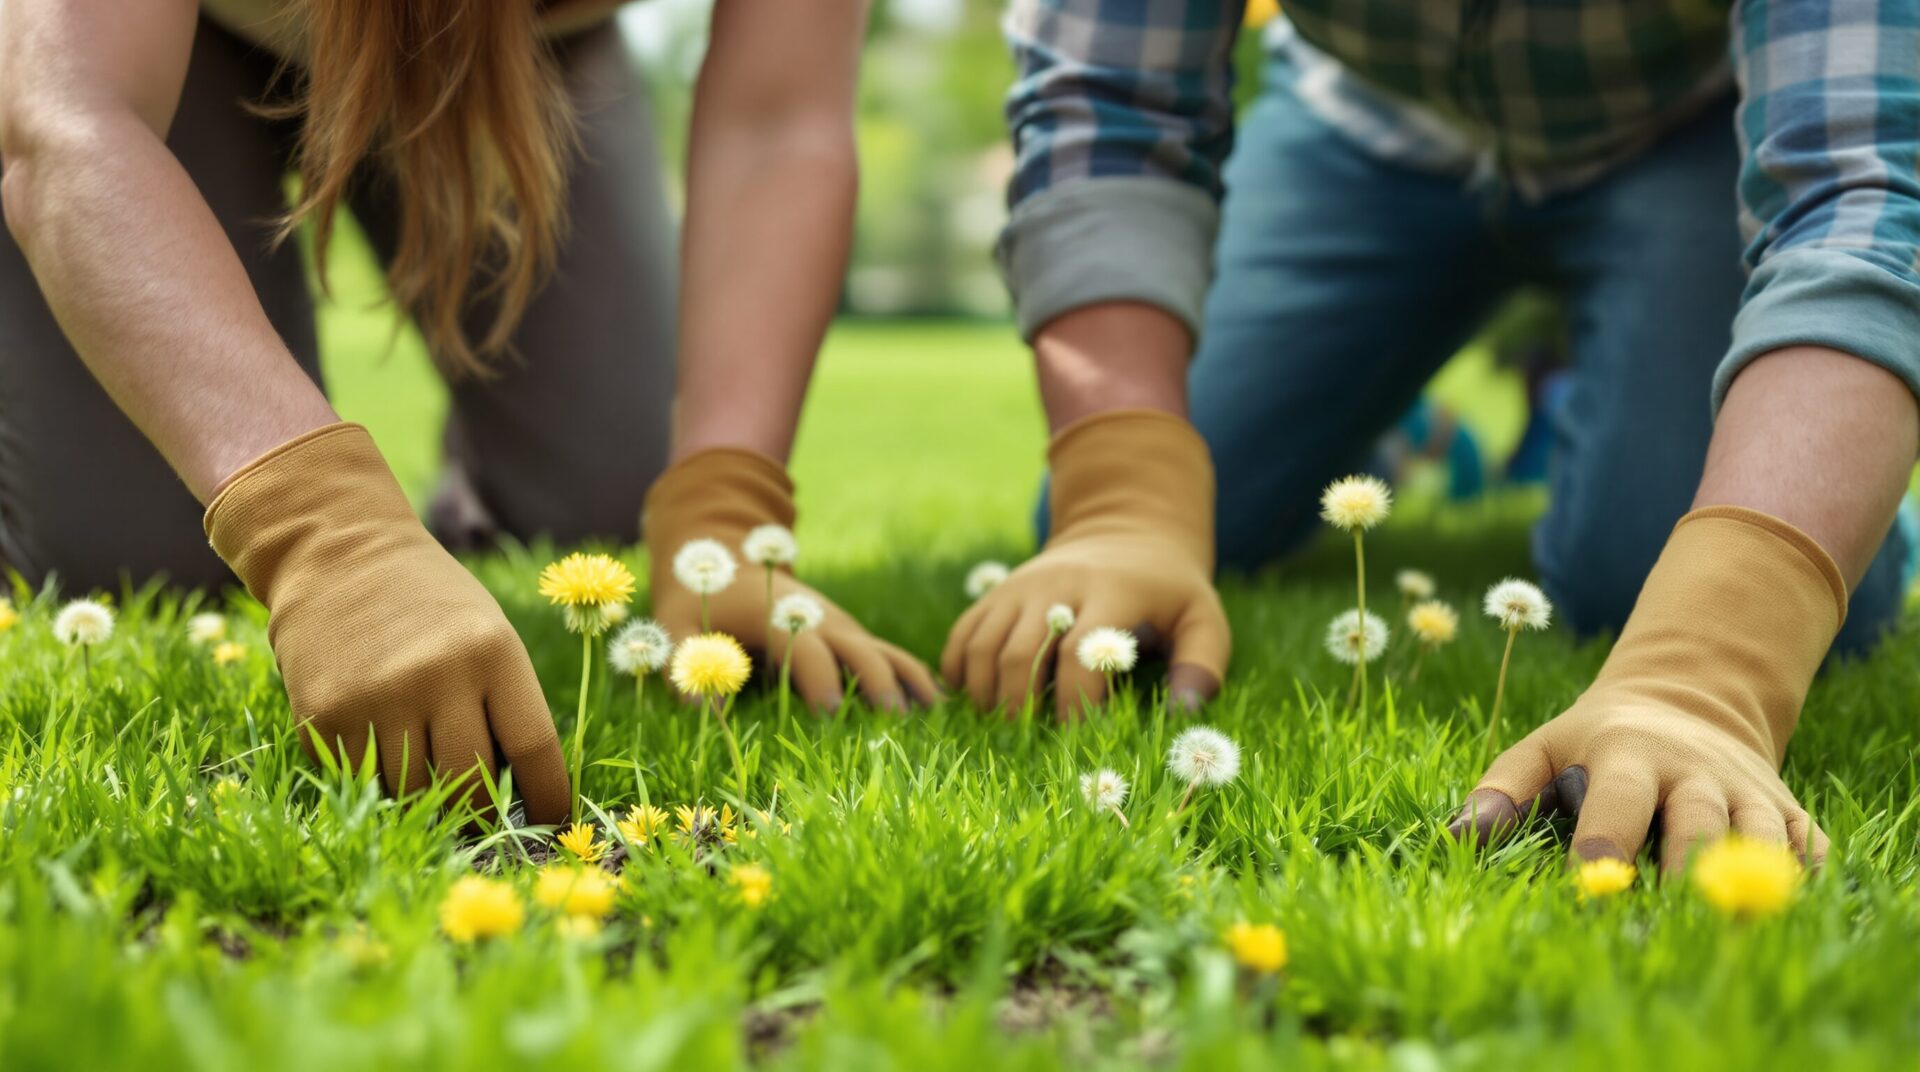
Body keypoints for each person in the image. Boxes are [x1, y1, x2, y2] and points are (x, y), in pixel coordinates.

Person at [987, 0, 1917, 871]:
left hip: (1695, 131)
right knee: (1146, 524)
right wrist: (1122, 500)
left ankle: (1666, 387)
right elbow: (1102, 108)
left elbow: (1863, 196)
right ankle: (1396, 424)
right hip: (1366, 130)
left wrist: (1713, 664)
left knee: (1645, 571)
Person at [0, 0, 936, 822]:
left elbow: (781, 124)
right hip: (171, 53)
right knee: (125, 564)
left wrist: (725, 506)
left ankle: (448, 551)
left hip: (527, 48)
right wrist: (322, 530)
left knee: (608, 502)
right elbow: (75, 117)